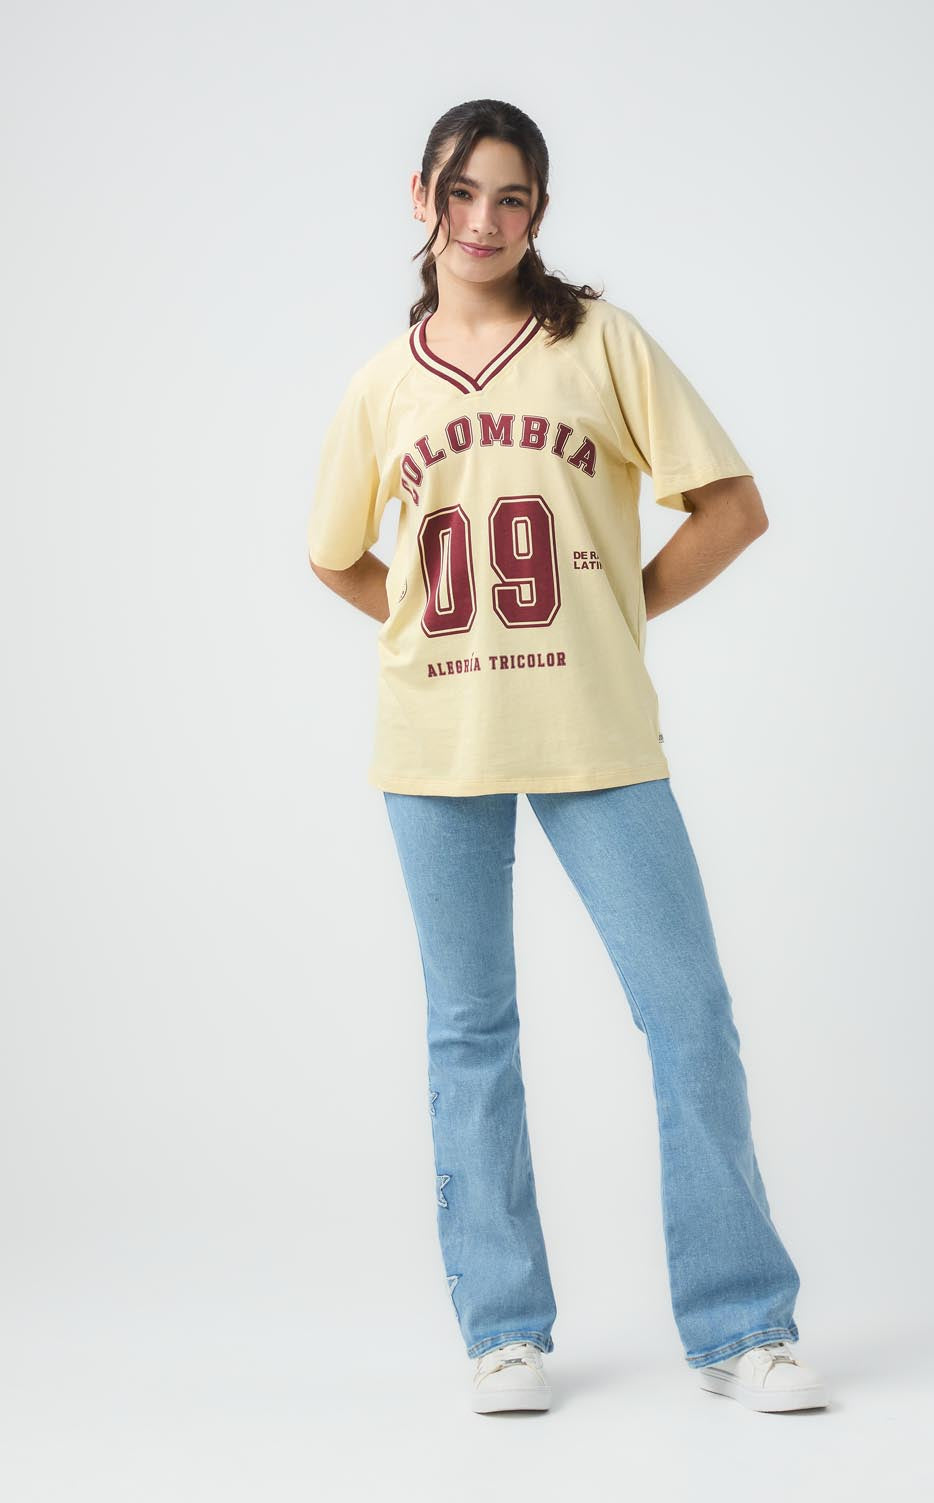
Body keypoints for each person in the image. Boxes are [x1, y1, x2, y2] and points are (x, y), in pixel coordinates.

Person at [306, 99, 829, 1416]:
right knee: (470, 1030)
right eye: (462, 192)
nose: (483, 221)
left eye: (513, 198)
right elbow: (335, 555)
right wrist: (430, 628)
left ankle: (743, 1325)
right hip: (435, 741)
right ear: (421, 196)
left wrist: (614, 611)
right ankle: (504, 1331)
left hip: (594, 729)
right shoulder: (381, 385)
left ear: (539, 213)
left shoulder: (599, 341)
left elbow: (733, 508)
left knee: (688, 1013)